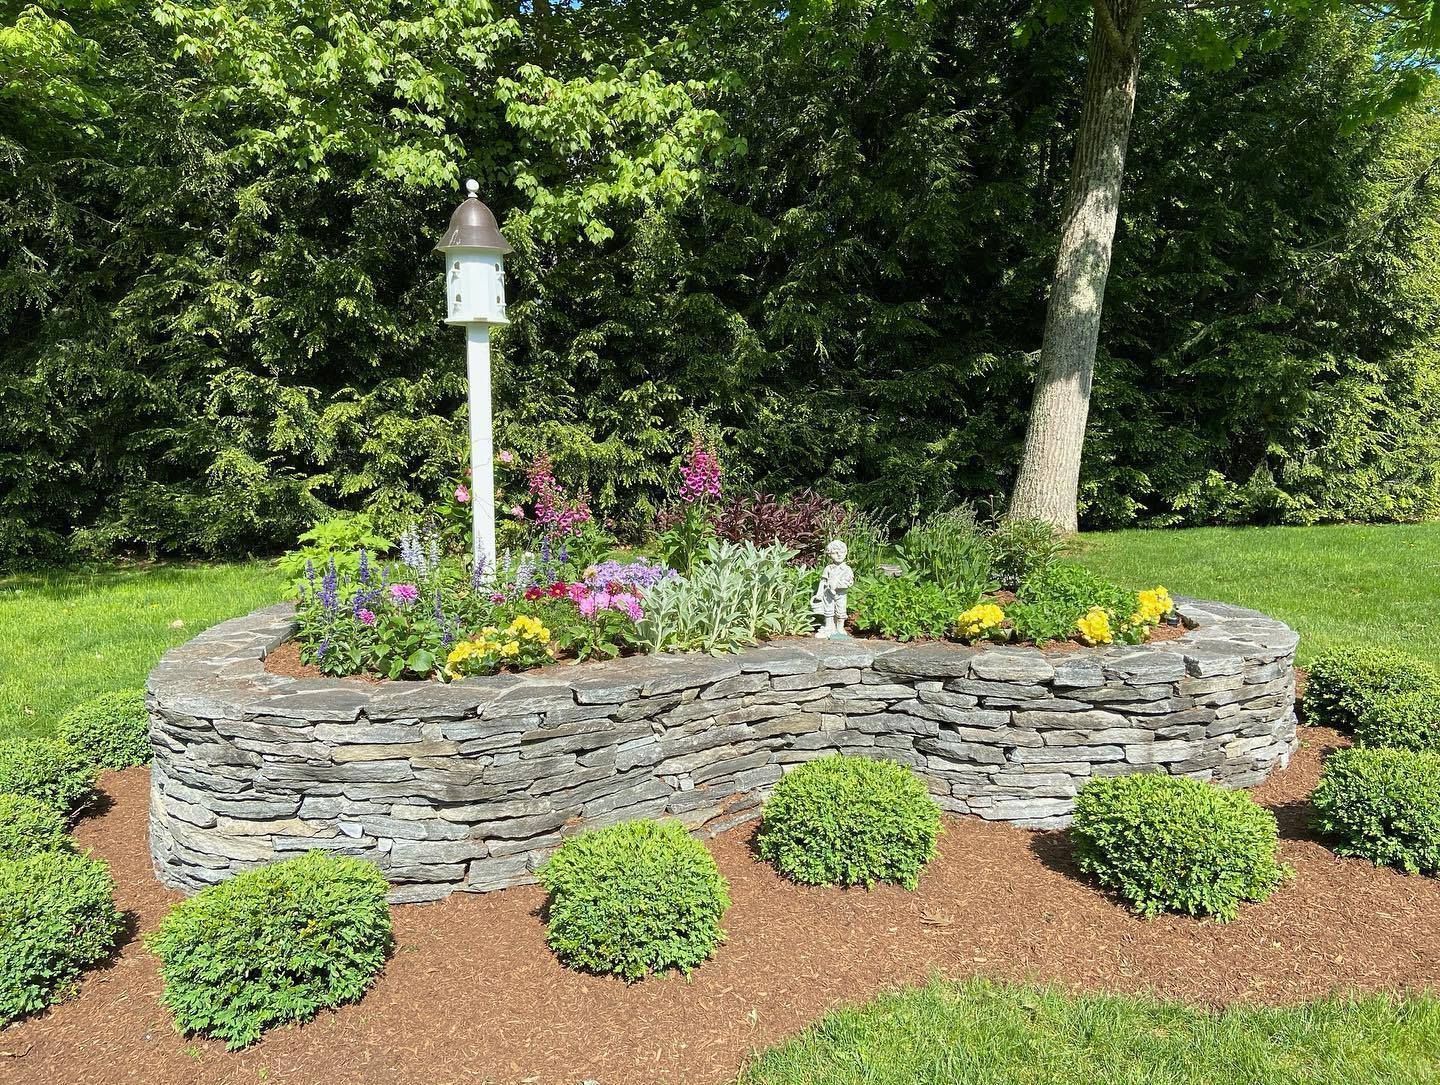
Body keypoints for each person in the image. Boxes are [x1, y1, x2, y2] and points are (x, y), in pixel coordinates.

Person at [811, 540, 855, 639]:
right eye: (835, 553)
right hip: (828, 593)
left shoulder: (847, 569)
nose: (839, 555)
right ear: (829, 555)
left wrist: (839, 585)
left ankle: (840, 628)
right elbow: (823, 581)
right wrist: (819, 593)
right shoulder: (828, 568)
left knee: (841, 610)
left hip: (841, 594)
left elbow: (850, 582)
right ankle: (829, 627)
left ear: (846, 553)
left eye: (842, 552)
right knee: (828, 610)